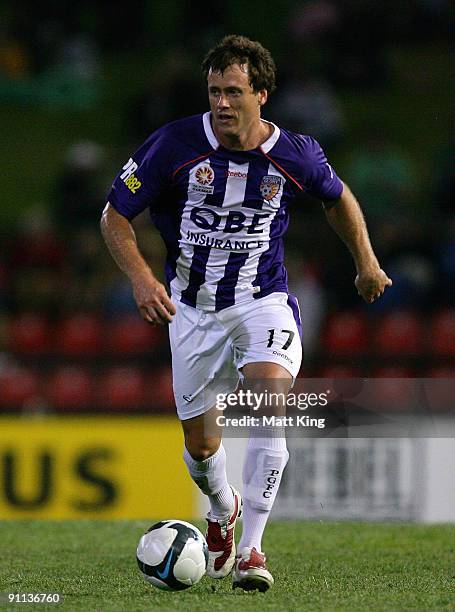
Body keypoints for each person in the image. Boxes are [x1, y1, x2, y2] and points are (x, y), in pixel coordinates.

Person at [100, 35, 392, 592]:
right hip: (190, 311)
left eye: (234, 91)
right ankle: (222, 507)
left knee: (267, 400)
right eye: (214, 91)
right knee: (202, 447)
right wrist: (141, 276)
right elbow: (115, 214)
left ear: (261, 94)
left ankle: (254, 550)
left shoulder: (295, 153)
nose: (222, 103)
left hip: (263, 301)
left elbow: (338, 197)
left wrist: (367, 263)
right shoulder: (172, 145)